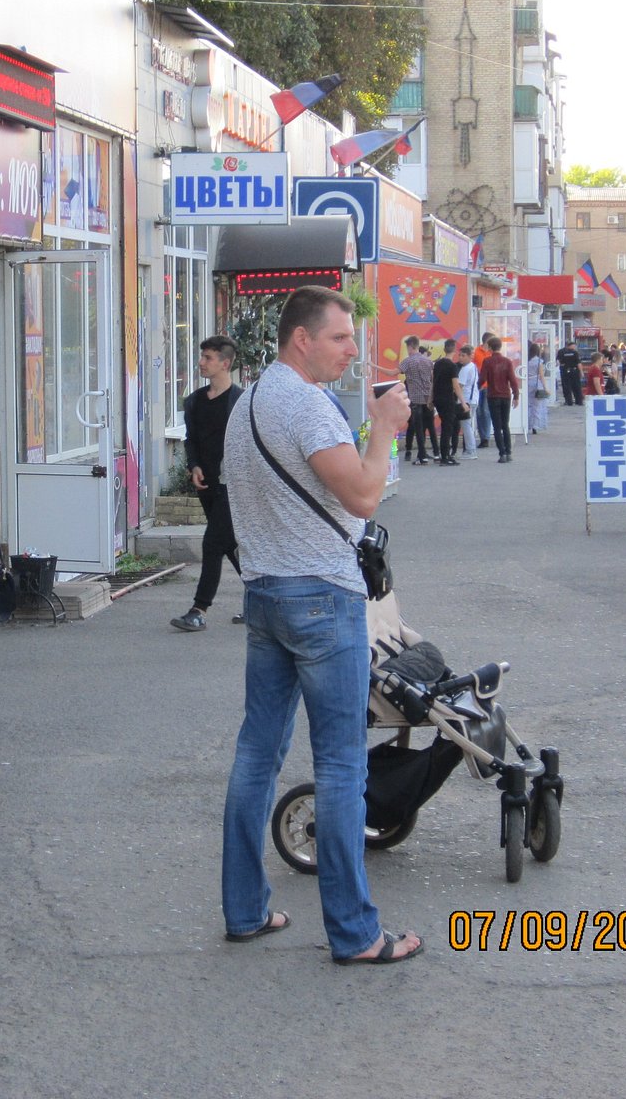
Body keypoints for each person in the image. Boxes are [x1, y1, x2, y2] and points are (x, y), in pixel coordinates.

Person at [220, 286, 422, 964]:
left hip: (265, 594)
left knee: (257, 754)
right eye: (339, 338)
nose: (351, 350)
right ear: (301, 339)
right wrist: (387, 426)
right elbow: (364, 493)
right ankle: (356, 933)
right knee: (341, 765)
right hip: (321, 598)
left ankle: (245, 909)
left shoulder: (249, 402)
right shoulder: (305, 405)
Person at [170, 335, 243, 631]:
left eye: (208, 358)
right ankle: (263, 598)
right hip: (207, 484)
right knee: (230, 544)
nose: (201, 362)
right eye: (202, 357)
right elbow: (191, 441)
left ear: (225, 363)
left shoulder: (241, 401)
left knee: (213, 542)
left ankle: (199, 609)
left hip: (234, 485)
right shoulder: (195, 401)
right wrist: (194, 466)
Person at [478, 337, 519, 463]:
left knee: (496, 426)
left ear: (490, 347)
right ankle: (509, 452)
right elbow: (513, 380)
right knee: (505, 425)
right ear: (500, 347)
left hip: (493, 395)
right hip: (505, 396)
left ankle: (502, 453)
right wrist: (516, 395)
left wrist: (477, 387)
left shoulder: (487, 361)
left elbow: (483, 378)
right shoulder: (507, 361)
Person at [398, 336, 436, 464]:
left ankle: (422, 456)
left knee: (417, 428)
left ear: (410, 347)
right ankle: (431, 453)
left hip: (415, 399)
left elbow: (393, 372)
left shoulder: (407, 361)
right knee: (428, 426)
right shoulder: (428, 361)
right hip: (427, 398)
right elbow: (432, 379)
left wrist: (373, 366)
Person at [431, 338, 464, 465]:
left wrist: (430, 399)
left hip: (438, 398)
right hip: (448, 399)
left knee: (446, 425)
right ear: (454, 350)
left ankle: (445, 455)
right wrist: (463, 402)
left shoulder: (438, 363)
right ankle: (445, 456)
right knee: (447, 428)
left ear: (444, 349)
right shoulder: (452, 366)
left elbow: (433, 382)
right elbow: (456, 386)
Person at [456, 345, 479, 459]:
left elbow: (459, 386)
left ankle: (470, 450)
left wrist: (461, 401)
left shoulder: (465, 369)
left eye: (463, 355)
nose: (460, 358)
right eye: (459, 355)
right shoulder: (473, 366)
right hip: (472, 399)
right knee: (468, 425)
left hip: (466, 400)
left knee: (466, 426)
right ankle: (470, 450)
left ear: (470, 356)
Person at [471, 333, 494, 447]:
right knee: (479, 411)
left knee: (486, 411)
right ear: (487, 341)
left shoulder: (492, 353)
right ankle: (482, 436)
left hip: (489, 385)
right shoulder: (476, 352)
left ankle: (486, 437)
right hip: (478, 385)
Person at [528, 343, 549, 435]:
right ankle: (535, 425)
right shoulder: (539, 361)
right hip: (537, 384)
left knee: (529, 405)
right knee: (537, 405)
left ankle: (527, 423)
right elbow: (541, 376)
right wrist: (546, 388)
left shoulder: (527, 360)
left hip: (528, 383)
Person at [556, 340, 584, 406]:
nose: (575, 347)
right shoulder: (575, 352)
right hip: (574, 370)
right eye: (574, 346)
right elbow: (578, 363)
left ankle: (568, 401)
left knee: (566, 386)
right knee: (576, 386)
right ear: (571, 346)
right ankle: (579, 401)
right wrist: (581, 372)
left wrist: (561, 366)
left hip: (565, 371)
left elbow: (558, 361)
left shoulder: (561, 351)